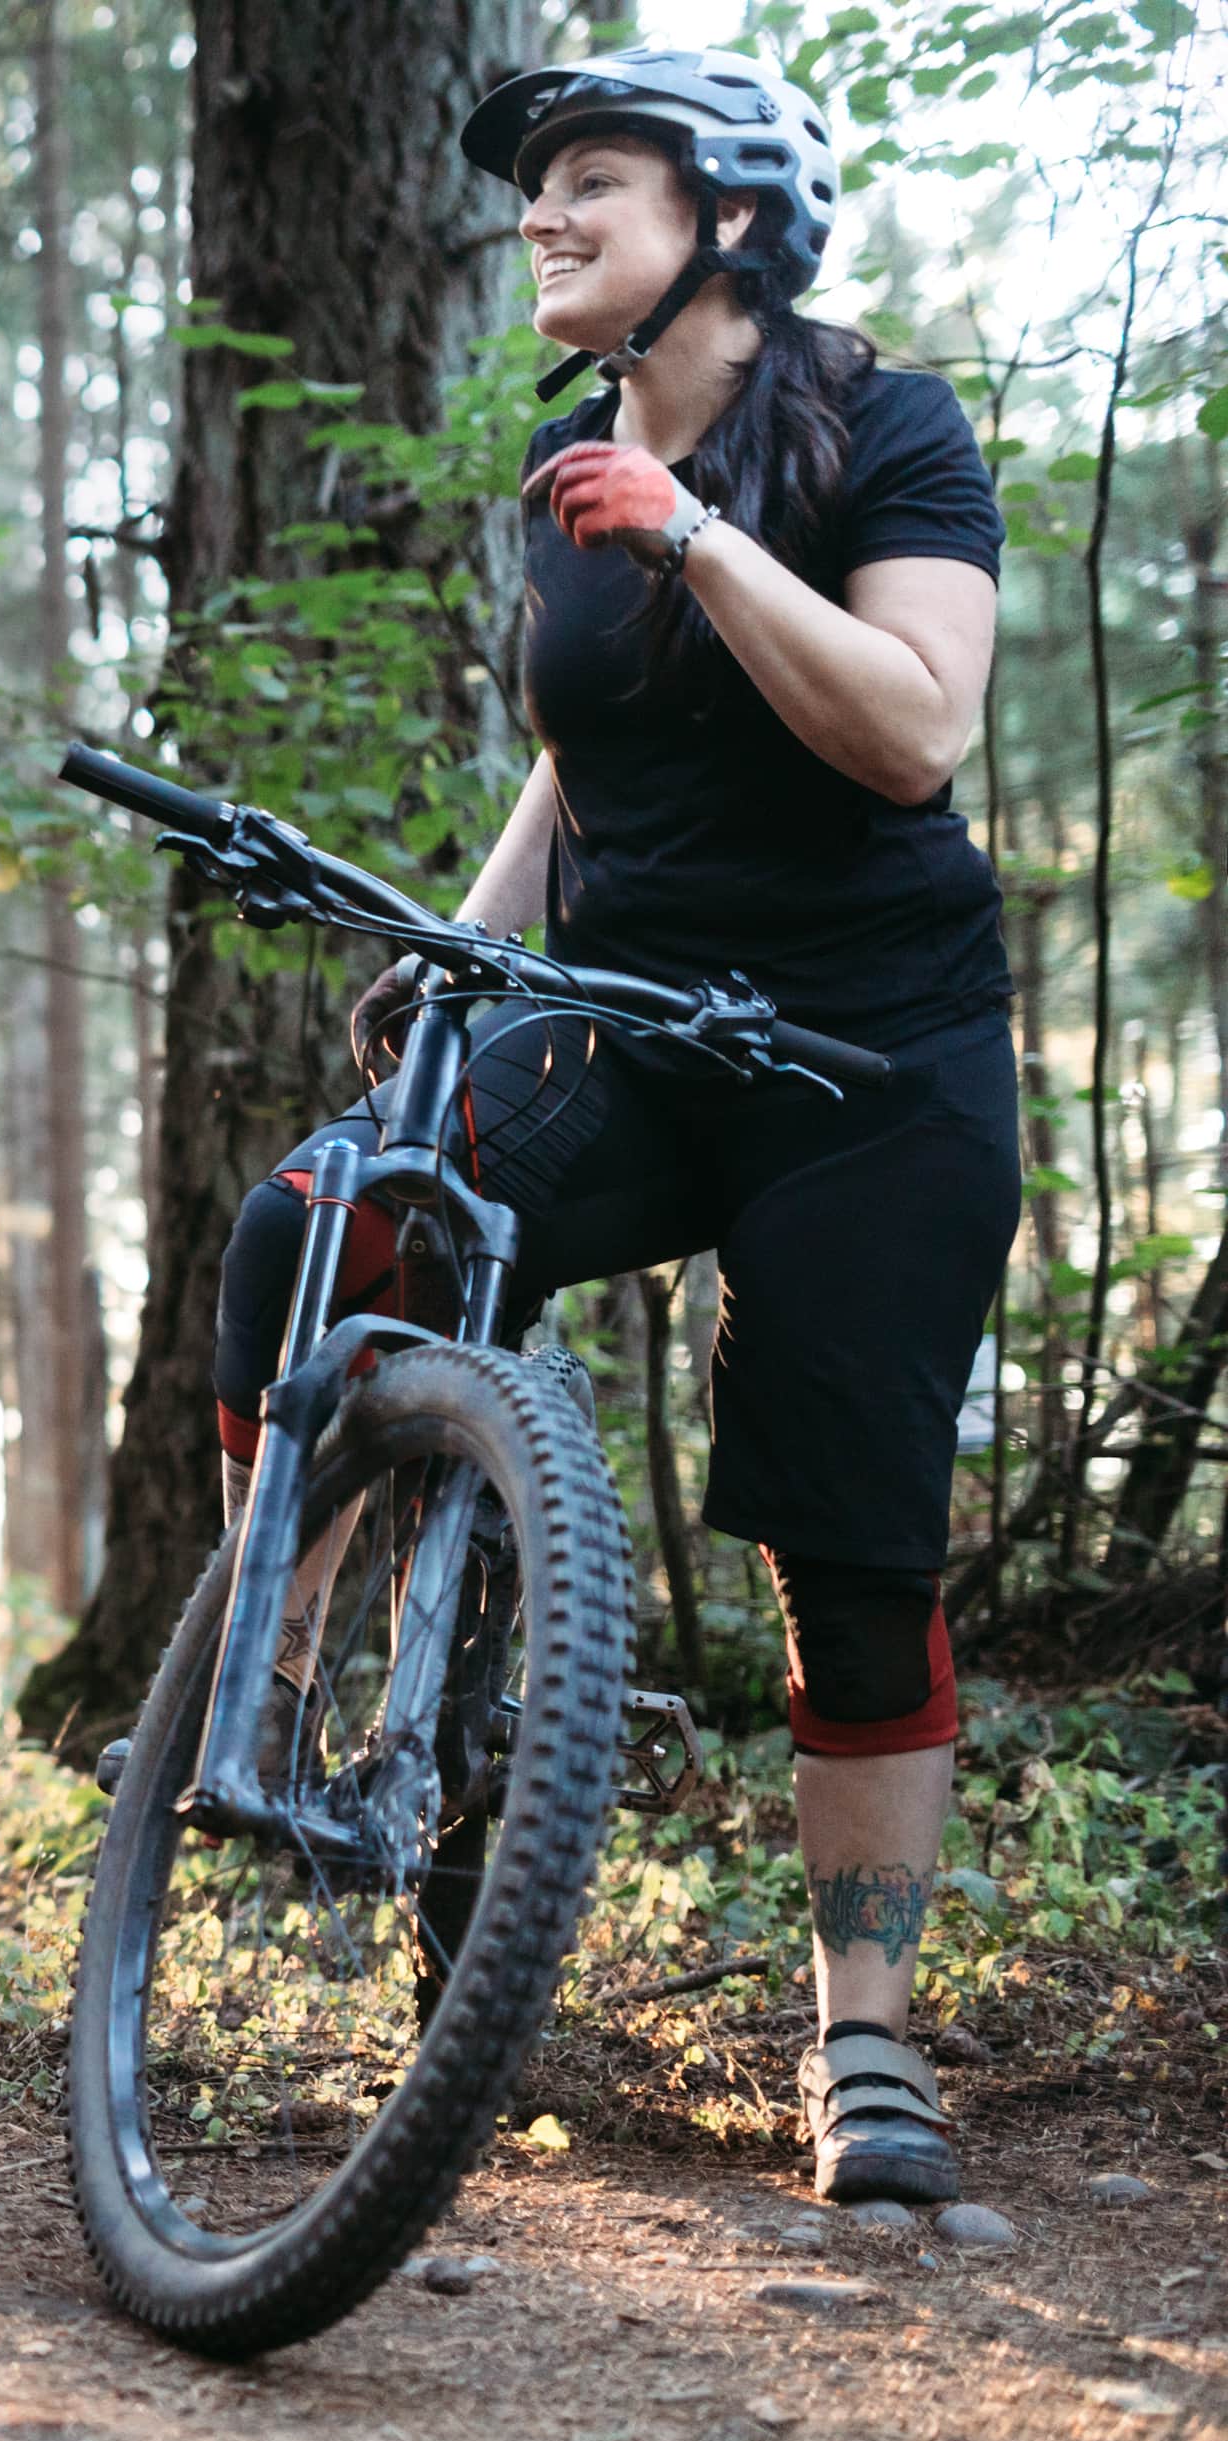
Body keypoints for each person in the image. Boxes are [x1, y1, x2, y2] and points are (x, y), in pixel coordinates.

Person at [215, 50, 1015, 2203]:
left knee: (851, 1553)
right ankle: (291, 1719)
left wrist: (700, 536)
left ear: (730, 220)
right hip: (630, 1021)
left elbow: (917, 731)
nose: (542, 218)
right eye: (538, 188)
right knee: (315, 1227)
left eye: (593, 182)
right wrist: (465, 947)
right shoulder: (574, 451)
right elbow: (588, 763)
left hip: (875, 1068)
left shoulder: (883, 421)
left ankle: (863, 2050)